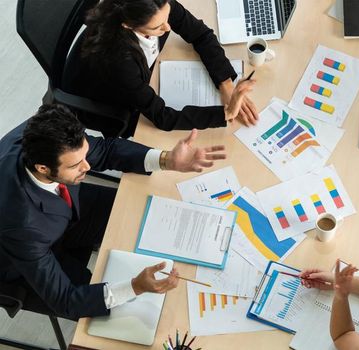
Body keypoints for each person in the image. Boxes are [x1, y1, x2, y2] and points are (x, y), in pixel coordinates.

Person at [0, 104, 234, 319]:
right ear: (43, 168)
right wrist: (134, 286)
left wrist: (167, 160)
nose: (87, 167)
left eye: (84, 155)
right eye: (75, 165)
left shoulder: (45, 137)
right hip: (26, 258)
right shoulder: (21, 225)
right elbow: (67, 300)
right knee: (121, 312)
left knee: (139, 209)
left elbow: (106, 150)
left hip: (64, 209)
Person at [62, 0, 258, 138]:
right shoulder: (119, 62)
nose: (167, 28)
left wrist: (225, 84)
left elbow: (200, 34)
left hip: (140, 77)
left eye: (167, 17)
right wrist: (226, 113)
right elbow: (163, 118)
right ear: (128, 25)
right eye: (156, 27)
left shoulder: (157, 5)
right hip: (110, 101)